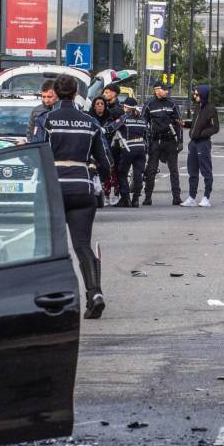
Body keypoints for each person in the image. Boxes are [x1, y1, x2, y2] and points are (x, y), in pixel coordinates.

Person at [36, 74, 112, 318]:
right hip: (82, 189)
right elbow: (106, 162)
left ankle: (52, 301)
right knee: (82, 245)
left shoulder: (46, 120)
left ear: (56, 94)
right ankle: (95, 293)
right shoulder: (90, 123)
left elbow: (37, 153)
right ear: (76, 92)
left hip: (53, 190)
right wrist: (91, 170)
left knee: (50, 247)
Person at [141, 82, 183, 205]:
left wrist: (180, 141)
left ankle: (177, 197)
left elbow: (179, 124)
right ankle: (147, 197)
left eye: (167, 89)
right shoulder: (149, 104)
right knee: (151, 170)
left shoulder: (172, 103)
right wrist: (146, 141)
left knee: (174, 170)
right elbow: (143, 123)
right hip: (155, 141)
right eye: (164, 89)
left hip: (170, 141)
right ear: (156, 90)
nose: (167, 92)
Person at [183, 84, 220, 207]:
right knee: (192, 172)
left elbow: (215, 128)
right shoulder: (197, 107)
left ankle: (206, 197)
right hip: (193, 144)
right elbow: (195, 124)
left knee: (206, 171)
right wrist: (187, 126)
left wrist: (200, 134)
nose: (194, 96)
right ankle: (191, 197)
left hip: (203, 144)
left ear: (203, 95)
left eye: (197, 94)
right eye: (194, 94)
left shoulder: (211, 109)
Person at [115, 97, 148, 207]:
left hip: (129, 148)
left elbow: (111, 128)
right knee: (138, 174)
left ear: (126, 107)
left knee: (122, 173)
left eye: (124, 106)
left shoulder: (125, 118)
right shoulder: (142, 119)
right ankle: (136, 199)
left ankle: (126, 199)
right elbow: (147, 135)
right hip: (141, 148)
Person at [91, 97, 118, 207]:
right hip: (95, 148)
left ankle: (109, 193)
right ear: (94, 106)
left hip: (109, 147)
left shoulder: (110, 118)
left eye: (102, 103)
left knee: (110, 169)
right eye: (97, 104)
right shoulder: (90, 118)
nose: (100, 105)